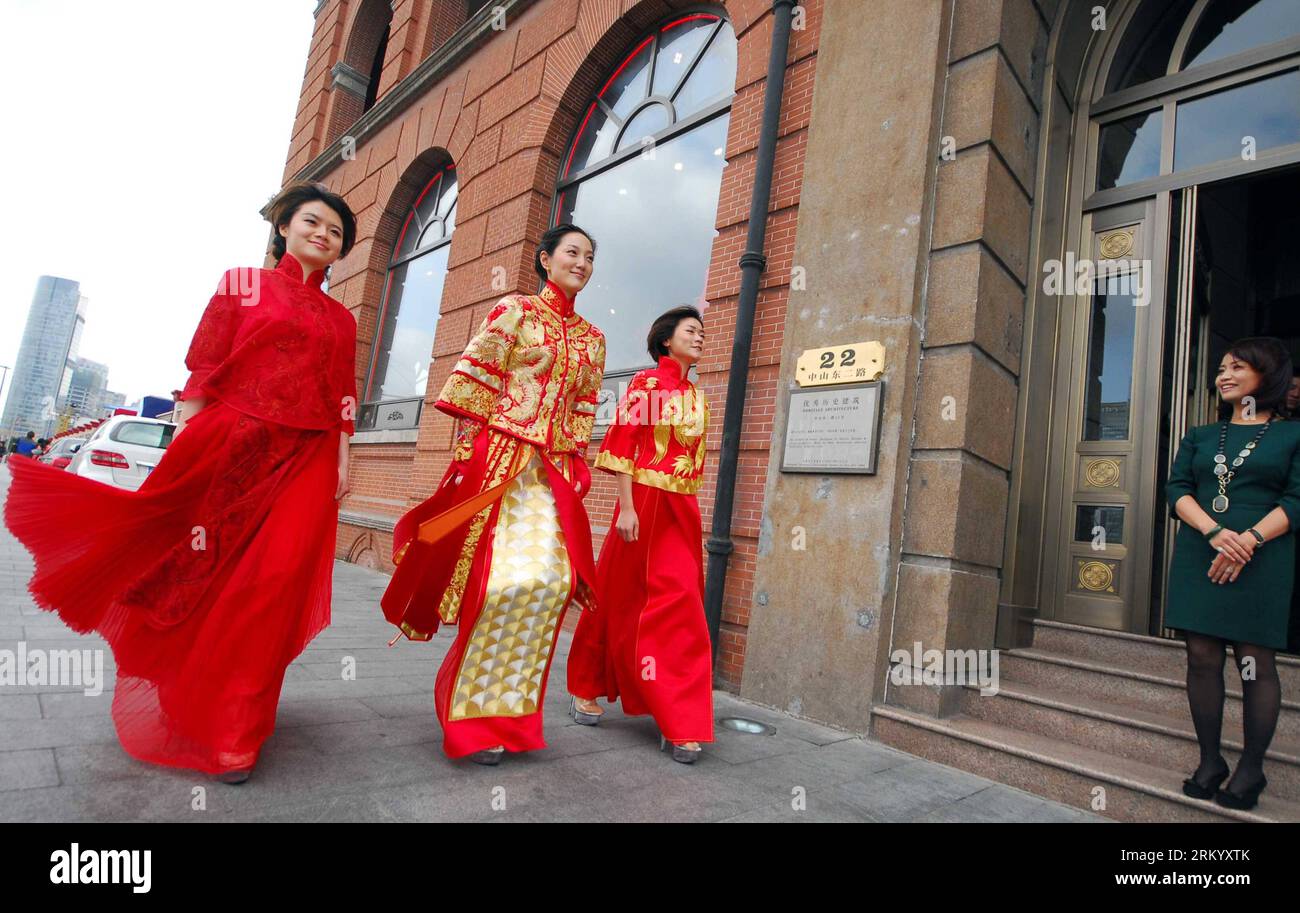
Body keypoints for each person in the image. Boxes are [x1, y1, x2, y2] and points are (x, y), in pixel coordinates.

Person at [4, 181, 359, 784]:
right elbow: (205, 358)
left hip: (310, 452)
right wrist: (189, 436)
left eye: (336, 232)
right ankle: (180, 684)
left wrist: (345, 458)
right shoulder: (241, 284)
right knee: (199, 569)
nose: (324, 235)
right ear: (284, 227)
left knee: (272, 582)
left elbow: (344, 392)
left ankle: (235, 727)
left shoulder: (340, 317)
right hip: (233, 437)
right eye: (313, 222)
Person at [381, 224, 606, 765]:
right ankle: (471, 715)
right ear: (545, 260)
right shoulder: (517, 311)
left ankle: (513, 716)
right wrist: (469, 450)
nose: (582, 263)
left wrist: (574, 461)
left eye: (590, 257)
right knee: (498, 583)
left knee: (549, 584)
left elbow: (582, 409)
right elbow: (473, 382)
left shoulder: (594, 339)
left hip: (549, 474)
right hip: (501, 460)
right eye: (572, 253)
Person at [566, 306, 713, 763]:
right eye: (692, 331)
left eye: (702, 332)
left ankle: (678, 715)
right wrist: (626, 507)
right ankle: (587, 685)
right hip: (643, 503)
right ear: (666, 340)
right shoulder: (649, 385)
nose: (700, 337)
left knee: (681, 602)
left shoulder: (697, 395)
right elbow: (624, 442)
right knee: (616, 595)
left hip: (681, 510)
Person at [1165, 337, 1300, 810]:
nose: (1224, 374)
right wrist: (1215, 532)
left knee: (1254, 663)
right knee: (1201, 656)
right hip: (1203, 551)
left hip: (1264, 556)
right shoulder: (1201, 435)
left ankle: (1251, 768)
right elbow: (1178, 489)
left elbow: (1296, 500)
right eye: (1221, 367)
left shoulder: (1292, 435)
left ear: (1268, 374)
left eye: (1237, 366)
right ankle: (1210, 761)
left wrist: (1249, 540)